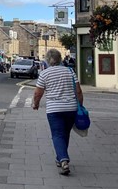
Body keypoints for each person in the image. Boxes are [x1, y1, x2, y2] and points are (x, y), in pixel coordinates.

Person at [32, 48, 83, 176]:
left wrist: (36, 104)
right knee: (65, 134)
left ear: (48, 60)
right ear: (60, 59)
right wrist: (80, 106)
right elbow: (78, 91)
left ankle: (64, 160)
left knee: (57, 134)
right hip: (71, 108)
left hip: (54, 109)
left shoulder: (45, 73)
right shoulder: (70, 71)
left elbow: (38, 92)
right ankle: (60, 158)